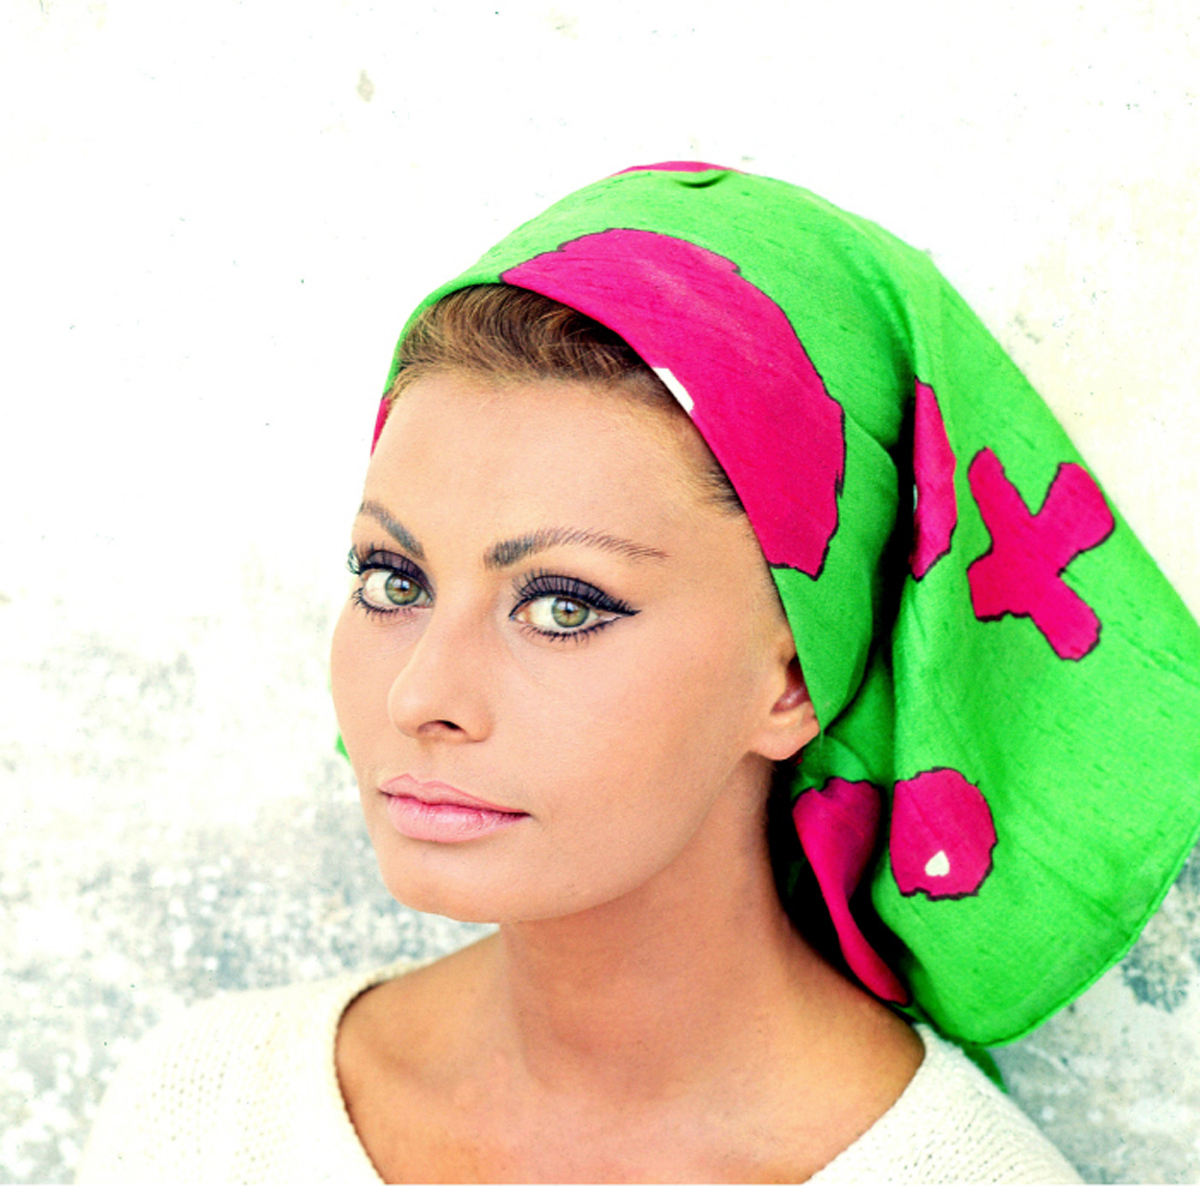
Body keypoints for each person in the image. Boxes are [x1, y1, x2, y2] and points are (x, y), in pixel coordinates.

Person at [78, 163, 1200, 1183]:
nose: (420, 696)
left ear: (794, 678)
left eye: (563, 606)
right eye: (392, 578)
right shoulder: (207, 1116)